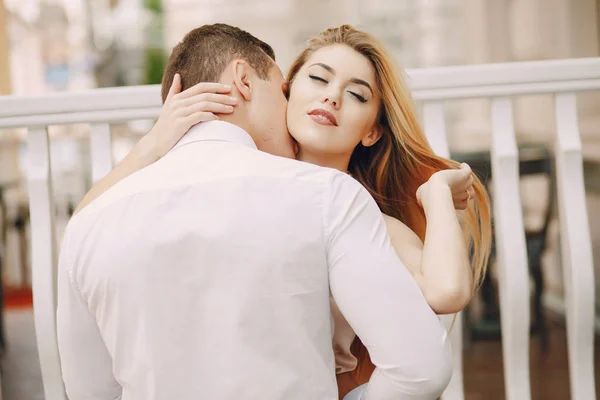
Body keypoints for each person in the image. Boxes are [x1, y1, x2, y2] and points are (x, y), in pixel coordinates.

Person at [57, 23, 454, 400]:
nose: (289, 106)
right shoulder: (329, 197)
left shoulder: (89, 225)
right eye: (282, 90)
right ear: (244, 81)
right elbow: (420, 369)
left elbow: (88, 392)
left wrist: (152, 145)